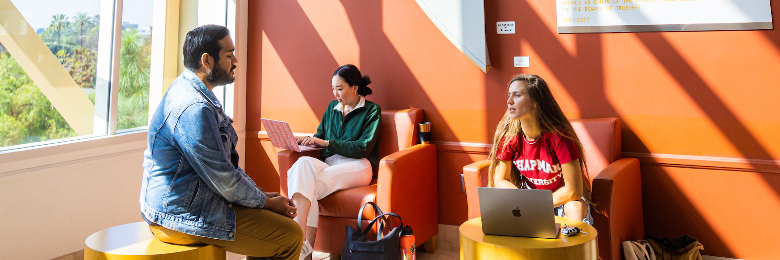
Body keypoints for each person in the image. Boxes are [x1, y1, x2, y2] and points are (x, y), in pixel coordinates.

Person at [140, 24, 302, 260]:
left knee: (274, 223)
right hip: (178, 216)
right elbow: (224, 178)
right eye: (229, 55)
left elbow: (224, 170)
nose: (235, 60)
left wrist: (260, 197)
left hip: (192, 203)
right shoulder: (194, 108)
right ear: (207, 61)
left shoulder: (192, 92)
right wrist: (264, 202)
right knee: (290, 236)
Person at [288, 64, 381, 260]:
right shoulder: (332, 108)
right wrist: (303, 140)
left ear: (355, 88)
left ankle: (300, 246)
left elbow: (364, 147)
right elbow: (320, 136)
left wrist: (328, 142)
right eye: (333, 89)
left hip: (358, 165)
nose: (335, 94)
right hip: (331, 164)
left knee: (306, 185)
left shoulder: (372, 110)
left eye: (340, 89)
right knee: (302, 165)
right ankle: (303, 249)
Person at [488, 74, 594, 224]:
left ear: (535, 102)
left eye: (517, 95)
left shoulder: (560, 137)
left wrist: (536, 206)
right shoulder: (509, 136)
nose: (509, 101)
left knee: (574, 208)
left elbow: (573, 191)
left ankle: (572, 246)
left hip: (562, 198)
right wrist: (523, 201)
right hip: (529, 198)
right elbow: (500, 180)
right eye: (509, 95)